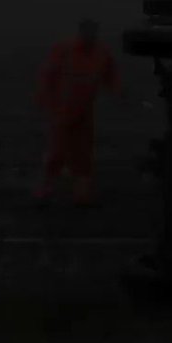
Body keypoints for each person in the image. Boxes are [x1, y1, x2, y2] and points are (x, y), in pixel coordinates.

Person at [33, 18, 122, 204]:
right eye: (86, 32)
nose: (90, 36)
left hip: (84, 110)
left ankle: (81, 191)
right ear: (80, 32)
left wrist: (117, 91)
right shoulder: (65, 49)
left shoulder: (101, 52)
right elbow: (48, 74)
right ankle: (46, 187)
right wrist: (45, 99)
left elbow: (110, 74)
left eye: (93, 32)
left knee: (83, 152)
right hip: (62, 109)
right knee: (57, 151)